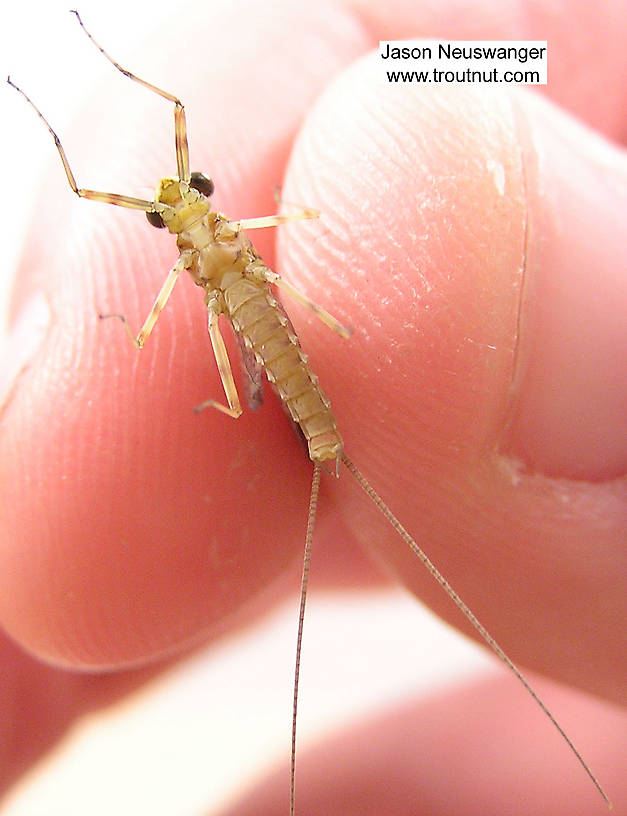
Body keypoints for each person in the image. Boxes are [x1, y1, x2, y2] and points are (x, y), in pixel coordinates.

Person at [0, 0, 624, 812]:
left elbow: (153, 188)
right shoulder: (210, 230)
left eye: (183, 197)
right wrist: (48, 118)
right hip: (250, 303)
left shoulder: (194, 229)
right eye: (168, 211)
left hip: (256, 303)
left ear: (197, 198)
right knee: (273, 339)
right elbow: (106, 211)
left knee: (304, 315)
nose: (175, 202)